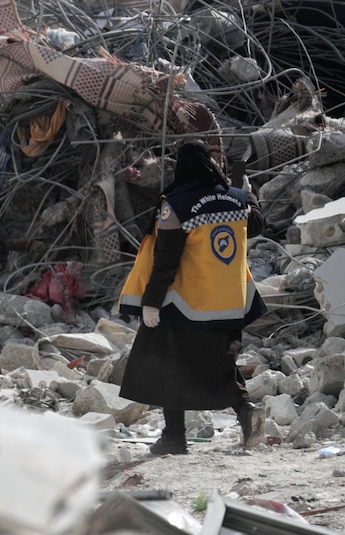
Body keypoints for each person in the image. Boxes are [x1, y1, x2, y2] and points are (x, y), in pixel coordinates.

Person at [118, 140, 267, 455]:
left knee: (168, 366)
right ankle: (246, 410)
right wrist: (244, 184)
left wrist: (151, 303)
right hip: (229, 304)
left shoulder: (176, 204)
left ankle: (174, 438)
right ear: (211, 165)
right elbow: (256, 224)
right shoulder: (237, 199)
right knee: (221, 365)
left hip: (185, 306)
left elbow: (166, 261)